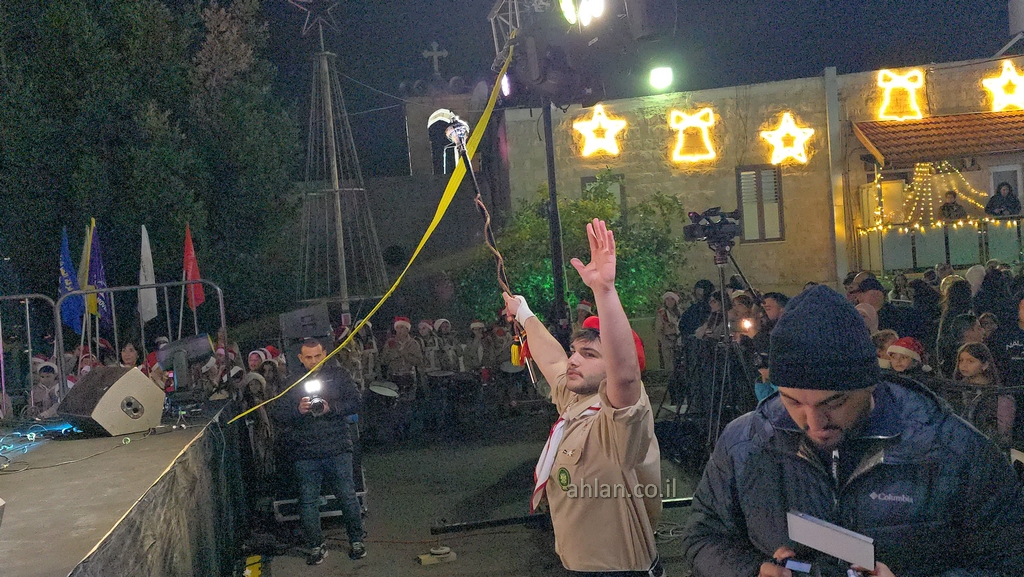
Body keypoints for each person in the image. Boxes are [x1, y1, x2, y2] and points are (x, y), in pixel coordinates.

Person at [682, 285, 1024, 577]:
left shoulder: (955, 450)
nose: (814, 423)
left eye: (833, 402)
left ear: (870, 383)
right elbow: (702, 538)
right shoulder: (744, 443)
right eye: (792, 401)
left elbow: (1009, 562)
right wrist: (752, 570)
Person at [503, 218, 662, 576]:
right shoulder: (577, 402)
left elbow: (625, 376)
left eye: (589, 355)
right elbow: (552, 361)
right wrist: (525, 314)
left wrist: (604, 291)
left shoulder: (620, 421)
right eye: (575, 351)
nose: (573, 359)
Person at [272, 338, 365, 565]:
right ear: (300, 358)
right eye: (308, 357)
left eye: (317, 356)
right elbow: (278, 414)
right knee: (308, 501)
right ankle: (315, 545)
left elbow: (356, 401)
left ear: (324, 354)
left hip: (337, 446)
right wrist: (298, 410)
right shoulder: (292, 381)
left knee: (347, 496)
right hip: (305, 451)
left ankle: (356, 540)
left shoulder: (339, 375)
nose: (314, 361)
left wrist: (331, 408)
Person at [956, 342, 1015, 449]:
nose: (964, 365)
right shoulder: (956, 390)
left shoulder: (1000, 396)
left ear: (985, 365)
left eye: (970, 361)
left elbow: (1003, 435)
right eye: (961, 360)